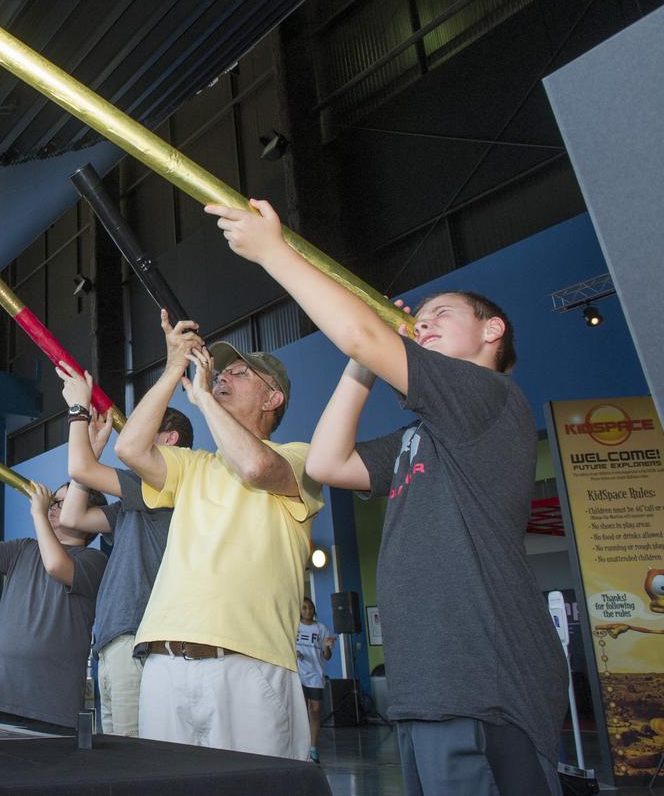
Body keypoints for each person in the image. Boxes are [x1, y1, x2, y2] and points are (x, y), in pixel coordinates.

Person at [209, 197, 567, 793]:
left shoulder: (487, 395)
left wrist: (274, 251)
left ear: (491, 331)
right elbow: (327, 462)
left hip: (486, 682)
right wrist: (363, 365)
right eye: (418, 317)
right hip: (429, 687)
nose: (423, 322)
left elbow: (363, 331)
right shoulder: (423, 434)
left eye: (442, 313)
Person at [115, 310, 323, 758]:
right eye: (221, 371)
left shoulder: (299, 458)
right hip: (165, 661)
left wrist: (205, 396)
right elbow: (129, 448)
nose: (223, 375)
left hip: (250, 665)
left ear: (272, 400)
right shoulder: (194, 465)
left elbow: (254, 466)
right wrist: (173, 369)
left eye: (240, 373)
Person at [54, 362, 192, 737]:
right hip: (114, 643)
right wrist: (93, 452)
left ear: (170, 439)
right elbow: (72, 516)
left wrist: (79, 411)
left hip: (135, 640)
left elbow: (81, 470)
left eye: (151, 425)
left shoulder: (162, 486)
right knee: (119, 757)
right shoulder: (137, 498)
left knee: (132, 759)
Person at [0, 459, 108, 733]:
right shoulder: (23, 549)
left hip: (52, 707)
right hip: (0, 694)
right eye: (54, 501)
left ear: (87, 516)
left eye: (63, 503)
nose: (53, 507)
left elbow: (56, 565)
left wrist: (39, 515)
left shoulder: (94, 560)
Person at [296, 597, 335, 762]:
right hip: (298, 674)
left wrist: (327, 646)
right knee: (300, 711)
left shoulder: (321, 628)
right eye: (304, 608)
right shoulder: (295, 627)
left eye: (310, 608)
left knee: (315, 711)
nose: (308, 611)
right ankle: (300, 747)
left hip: (315, 675)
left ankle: (313, 748)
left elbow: (327, 656)